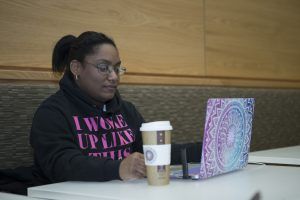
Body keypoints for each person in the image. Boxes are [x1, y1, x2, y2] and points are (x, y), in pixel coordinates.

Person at [0, 31, 146, 195]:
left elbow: (151, 149)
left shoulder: (127, 110)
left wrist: (180, 152)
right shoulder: (52, 112)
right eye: (104, 67)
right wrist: (117, 168)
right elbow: (61, 164)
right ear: (76, 68)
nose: (113, 76)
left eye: (117, 68)